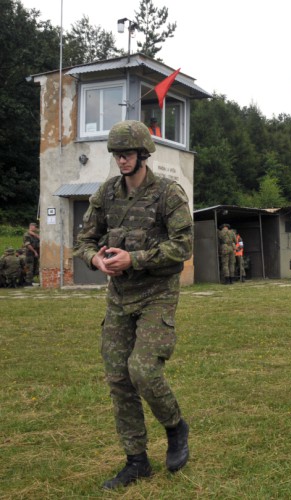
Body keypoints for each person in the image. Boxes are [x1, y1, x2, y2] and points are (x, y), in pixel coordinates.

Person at [74, 120, 193, 489]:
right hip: (119, 298)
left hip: (157, 293)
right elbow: (85, 239)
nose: (121, 160)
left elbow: (182, 247)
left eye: (126, 154)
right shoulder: (107, 193)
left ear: (143, 154)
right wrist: (96, 260)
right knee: (118, 377)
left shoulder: (168, 194)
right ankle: (136, 459)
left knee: (143, 370)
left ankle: (175, 427)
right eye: (116, 154)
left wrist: (134, 259)